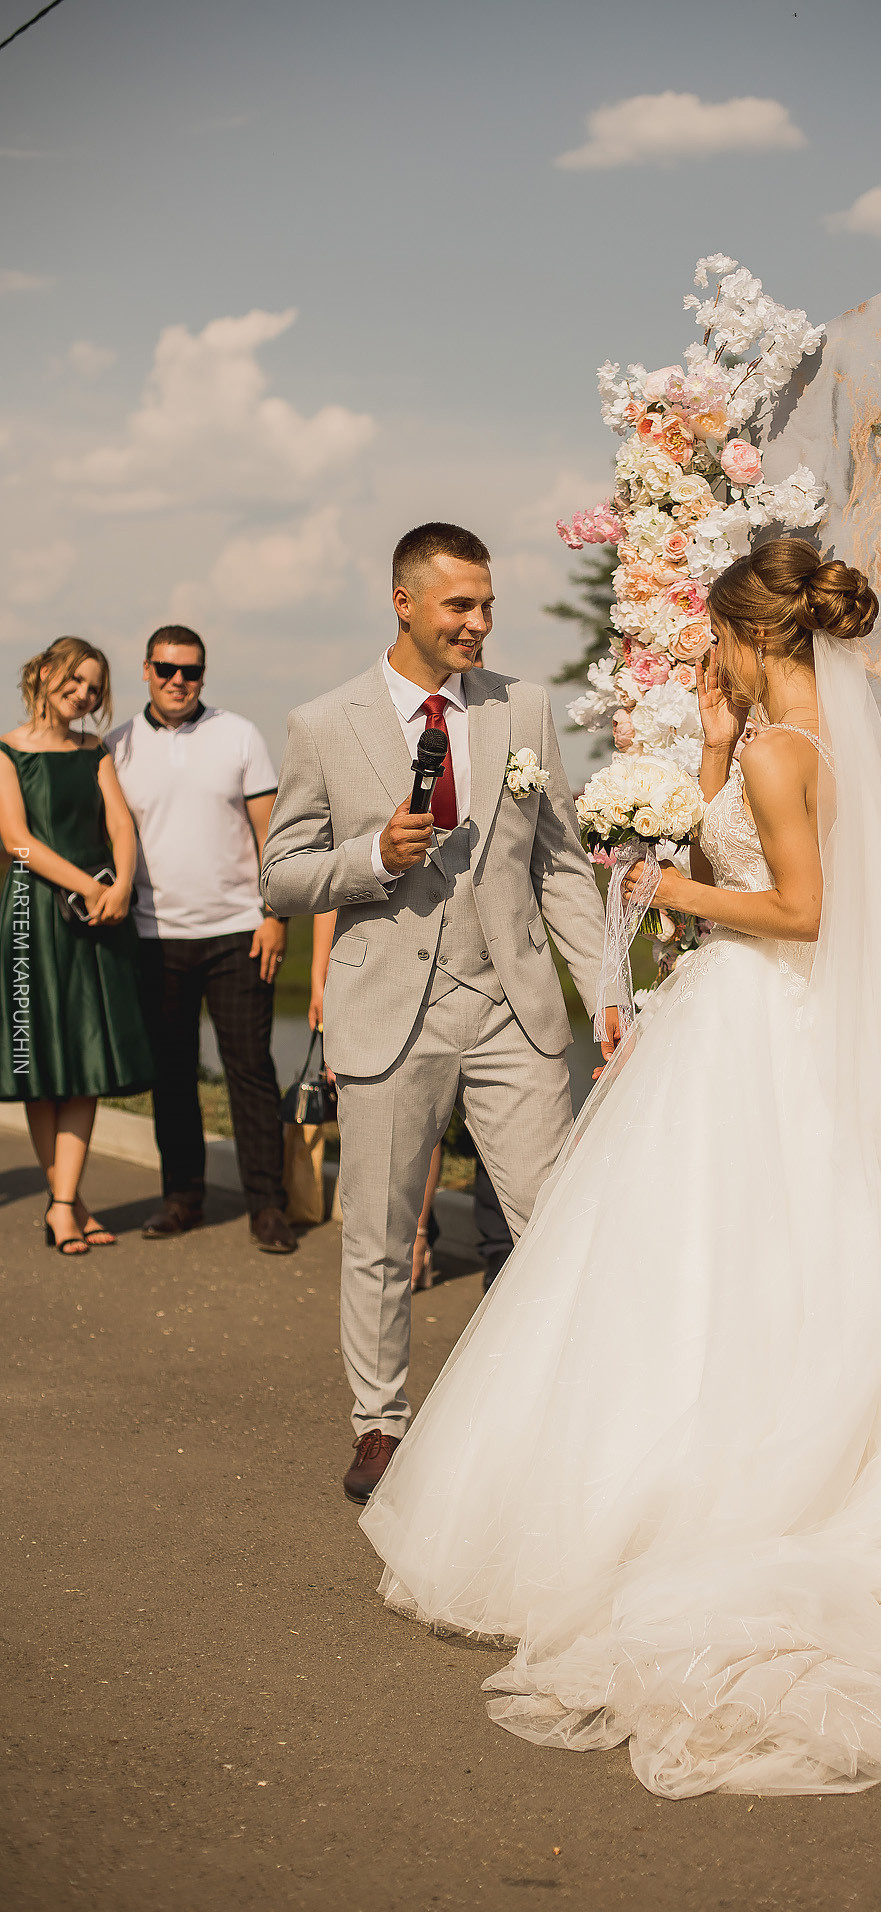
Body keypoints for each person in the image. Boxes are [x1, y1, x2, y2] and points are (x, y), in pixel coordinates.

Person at [359, 539, 881, 1800]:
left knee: (710, 1256)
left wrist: (662, 877)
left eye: (714, 638)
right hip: (737, 1018)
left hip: (755, 1023)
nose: (704, 657)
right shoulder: (778, 743)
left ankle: (711, 1487)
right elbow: (749, 851)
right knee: (715, 1258)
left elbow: (803, 909)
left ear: (748, 631)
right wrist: (710, 751)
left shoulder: (794, 754)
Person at [261, 522, 616, 1503]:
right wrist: (372, 856)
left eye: (487, 606)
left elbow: (556, 862)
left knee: (551, 1226)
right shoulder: (322, 724)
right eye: (459, 605)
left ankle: (557, 1414)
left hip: (516, 1008)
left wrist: (607, 989)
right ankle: (379, 1425)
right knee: (376, 1233)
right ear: (404, 602)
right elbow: (282, 876)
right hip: (389, 1012)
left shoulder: (524, 709)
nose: (478, 624)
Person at [107, 626, 296, 1254]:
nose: (177, 681)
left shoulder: (238, 734)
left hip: (239, 933)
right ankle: (182, 1198)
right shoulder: (118, 746)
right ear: (146, 670)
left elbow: (269, 829)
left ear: (203, 676)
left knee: (251, 1072)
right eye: (166, 669)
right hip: (153, 937)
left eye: (190, 671)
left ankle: (268, 1206)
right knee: (172, 1072)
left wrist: (275, 914)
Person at [0, 637, 153, 1254]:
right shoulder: (7, 750)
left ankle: (64, 1201)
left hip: (98, 913)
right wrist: (90, 884)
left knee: (85, 1062)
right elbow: (16, 839)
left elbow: (121, 821)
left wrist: (120, 886)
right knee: (42, 1066)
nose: (85, 694)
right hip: (33, 914)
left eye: (95, 686)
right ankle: (65, 1204)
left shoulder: (95, 749)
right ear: (42, 674)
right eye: (76, 679)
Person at [311, 912, 515, 1293]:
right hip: (380, 977)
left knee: (446, 1124)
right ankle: (407, 1245)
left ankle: (431, 1241)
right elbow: (327, 894)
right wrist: (320, 981)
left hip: (487, 975)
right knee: (409, 1120)